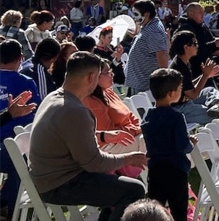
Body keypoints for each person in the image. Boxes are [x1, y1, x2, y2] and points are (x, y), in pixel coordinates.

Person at [29, 52, 147, 221]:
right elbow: (94, 163)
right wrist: (129, 158)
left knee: (121, 187)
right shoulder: (75, 110)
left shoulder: (54, 97)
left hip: (49, 178)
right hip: (59, 184)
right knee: (134, 190)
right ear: (92, 77)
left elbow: (71, 135)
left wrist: (104, 136)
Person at [141, 68, 195, 221]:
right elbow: (183, 145)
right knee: (179, 210)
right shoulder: (176, 117)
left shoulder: (148, 116)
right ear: (171, 93)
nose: (181, 90)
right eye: (180, 88)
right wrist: (191, 143)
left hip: (156, 169)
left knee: (155, 211)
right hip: (176, 170)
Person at [0, 40, 41, 211]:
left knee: (19, 158)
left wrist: (10, 114)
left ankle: (6, 204)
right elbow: (37, 111)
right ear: (20, 58)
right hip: (12, 143)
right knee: (21, 161)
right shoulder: (25, 81)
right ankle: (9, 206)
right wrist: (11, 114)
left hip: (11, 144)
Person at [168, 31, 219, 125]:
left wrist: (206, 75)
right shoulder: (179, 67)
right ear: (186, 47)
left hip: (186, 101)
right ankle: (214, 111)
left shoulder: (183, 61)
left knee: (209, 90)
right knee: (214, 116)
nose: (197, 46)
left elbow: (188, 85)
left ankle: (215, 106)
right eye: (195, 44)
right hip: (179, 109)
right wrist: (205, 76)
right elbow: (193, 95)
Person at [125, 0, 169, 94]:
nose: (134, 18)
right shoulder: (149, 26)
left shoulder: (154, 30)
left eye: (136, 14)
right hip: (139, 83)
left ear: (147, 14)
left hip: (144, 86)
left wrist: (164, 82)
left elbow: (161, 54)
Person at [175, 3, 219, 81]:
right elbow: (194, 50)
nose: (203, 15)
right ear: (191, 13)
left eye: (203, 12)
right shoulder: (186, 28)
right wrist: (215, 44)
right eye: (200, 12)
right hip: (194, 68)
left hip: (207, 67)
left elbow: (211, 40)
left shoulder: (202, 26)